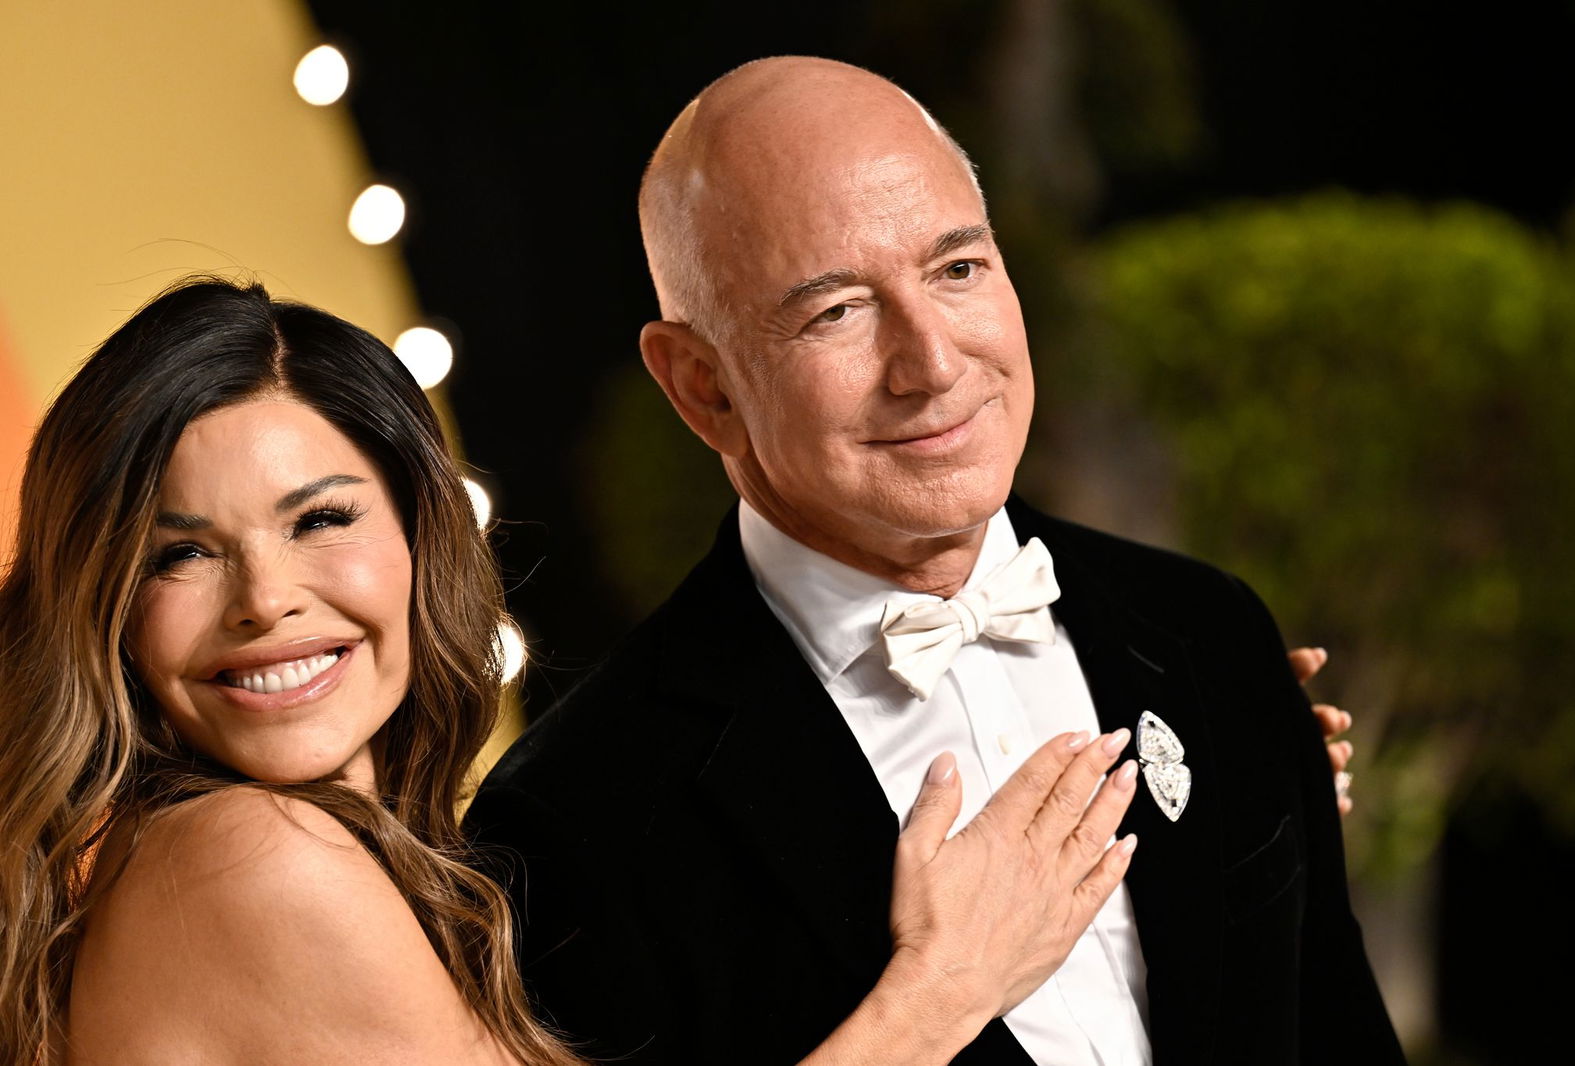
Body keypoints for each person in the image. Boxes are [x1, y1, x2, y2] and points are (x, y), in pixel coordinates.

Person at [465, 57, 1401, 1064]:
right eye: (836, 312)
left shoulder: (1209, 629)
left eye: (956, 270)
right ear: (703, 387)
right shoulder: (574, 821)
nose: (934, 363)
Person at [0, 279, 584, 1064]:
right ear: (108, 611)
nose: (265, 602)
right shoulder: (257, 857)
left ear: (420, 533)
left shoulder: (190, 854)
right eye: (181, 554)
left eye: (320, 520)